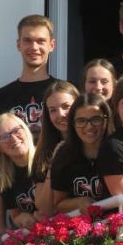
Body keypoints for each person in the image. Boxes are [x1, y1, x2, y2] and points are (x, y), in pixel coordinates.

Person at [0, 14, 59, 140]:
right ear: (18, 45)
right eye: (27, 40)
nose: (34, 47)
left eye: (40, 41)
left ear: (52, 45)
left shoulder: (67, 94)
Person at [50, 93, 112, 215]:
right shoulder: (64, 155)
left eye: (96, 119)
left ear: (106, 120)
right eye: (81, 121)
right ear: (72, 124)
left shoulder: (118, 150)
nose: (89, 126)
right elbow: (58, 204)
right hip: (80, 230)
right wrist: (79, 202)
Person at [31, 81, 80, 217]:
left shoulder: (94, 144)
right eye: (53, 110)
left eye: (66, 107)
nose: (60, 114)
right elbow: (44, 208)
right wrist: (55, 162)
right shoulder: (44, 151)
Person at [0, 113, 38, 239]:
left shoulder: (46, 160)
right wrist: (21, 218)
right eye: (4, 137)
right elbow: (15, 216)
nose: (14, 139)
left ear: (25, 130)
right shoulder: (5, 179)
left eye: (16, 130)